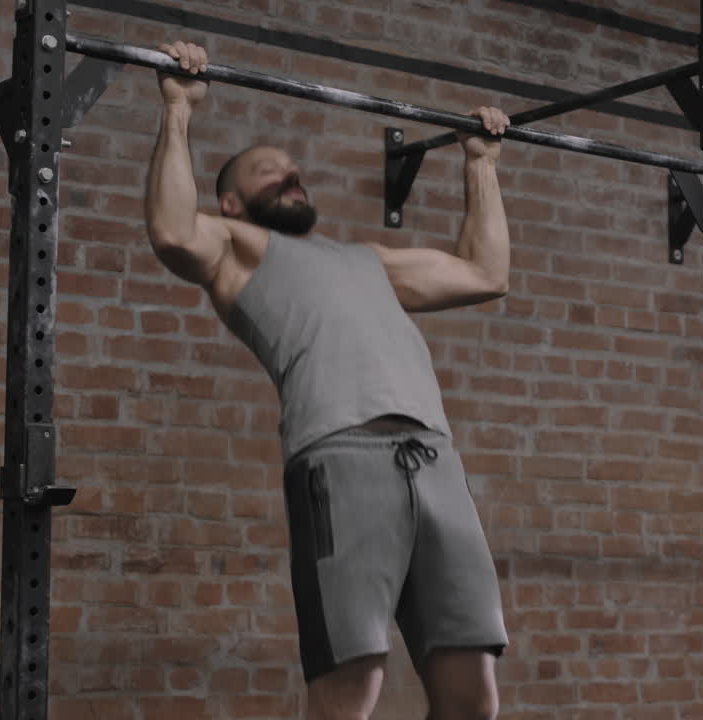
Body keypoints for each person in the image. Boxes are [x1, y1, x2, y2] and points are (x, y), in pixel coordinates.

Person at [145, 40, 511, 720]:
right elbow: (171, 230)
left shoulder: (368, 260)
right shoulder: (236, 249)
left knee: (473, 696)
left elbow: (485, 273)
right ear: (230, 201)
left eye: (292, 170)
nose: (289, 175)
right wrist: (178, 107)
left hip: (437, 461)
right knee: (350, 690)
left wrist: (481, 164)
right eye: (267, 170)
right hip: (342, 461)